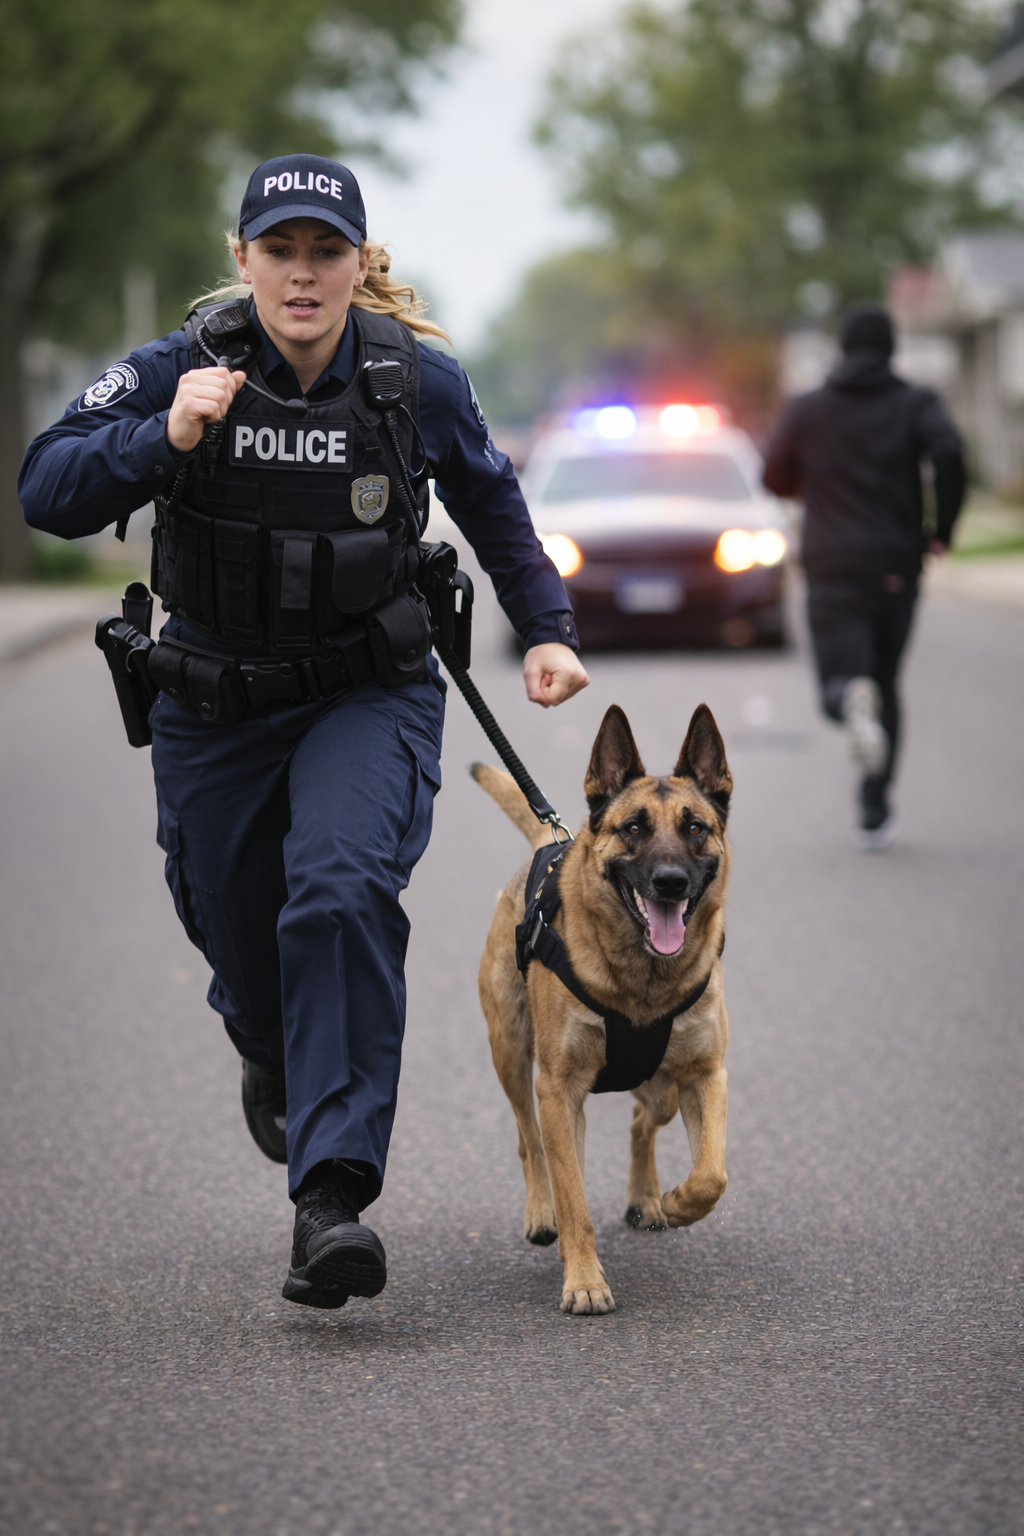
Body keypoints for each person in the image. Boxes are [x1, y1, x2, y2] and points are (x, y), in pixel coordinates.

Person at [19, 154, 589, 1309]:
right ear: (243, 261)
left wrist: (547, 627)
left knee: (336, 890)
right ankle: (271, 1051)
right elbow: (46, 488)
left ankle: (329, 1198)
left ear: (358, 265)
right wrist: (159, 440)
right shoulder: (179, 367)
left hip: (362, 691)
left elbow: (492, 499)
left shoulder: (410, 381)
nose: (301, 272)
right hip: (213, 698)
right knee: (231, 921)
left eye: (326, 251)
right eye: (278, 250)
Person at [762, 304, 965, 848]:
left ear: (843, 351)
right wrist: (941, 527)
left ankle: (848, 694)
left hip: (831, 565)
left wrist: (809, 480)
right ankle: (874, 808)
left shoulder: (809, 409)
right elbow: (948, 451)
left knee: (842, 678)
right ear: (891, 350)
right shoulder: (914, 403)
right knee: (887, 681)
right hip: (896, 564)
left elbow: (772, 474)